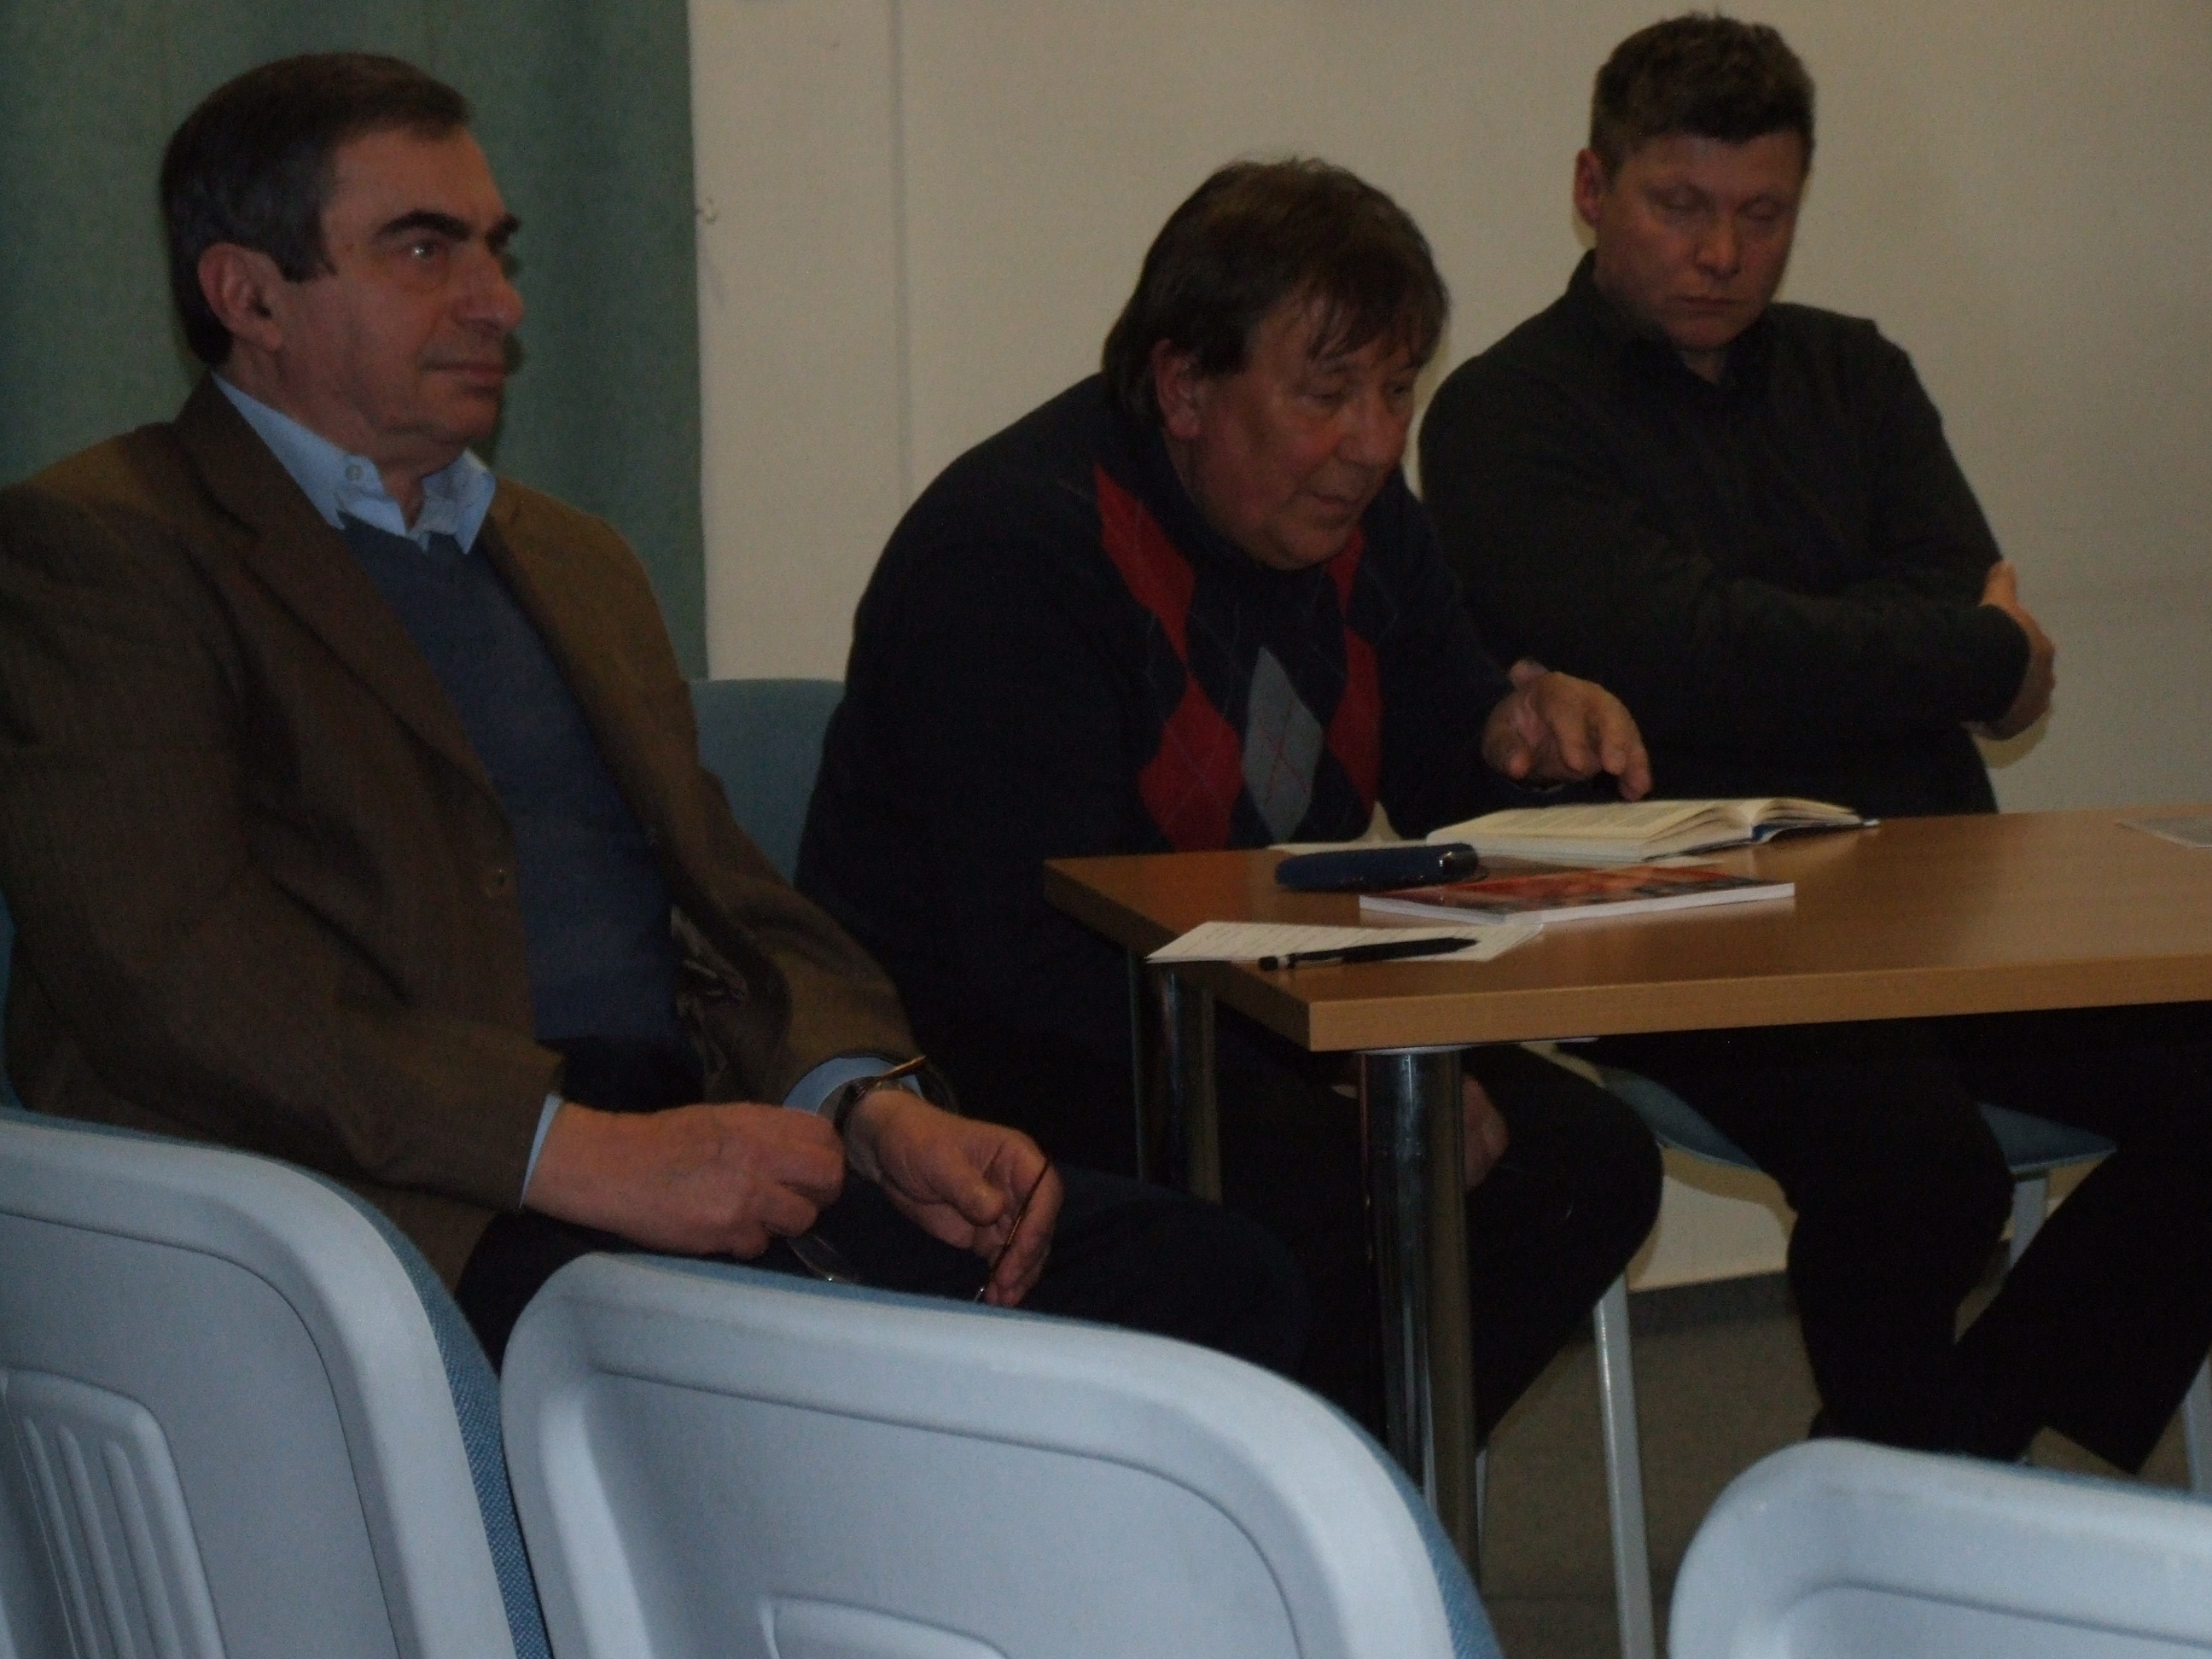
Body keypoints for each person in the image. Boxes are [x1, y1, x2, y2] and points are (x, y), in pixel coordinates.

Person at [0, 52, 1307, 1374]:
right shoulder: (107, 548)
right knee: (791, 1384)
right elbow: (176, 973)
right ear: (249, 295)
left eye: (496, 250)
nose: (497, 301)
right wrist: (571, 1152)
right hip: (395, 1199)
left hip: (683, 1139)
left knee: (1216, 1282)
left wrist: (864, 1105)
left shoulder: (573, 560)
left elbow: (736, 904)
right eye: (424, 250)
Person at [1419, 14, 2212, 1469]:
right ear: (1592, 189)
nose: (1722, 253)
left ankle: (1949, 1450)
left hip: (1939, 903)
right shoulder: (1499, 415)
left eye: (1763, 214)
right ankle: (1924, 1487)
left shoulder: (1858, 374)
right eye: (1681, 206)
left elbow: (1849, 640)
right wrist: (1955, 648)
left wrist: (1874, 652)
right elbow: (1693, 659)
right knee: (1924, 1172)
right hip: (1684, 931)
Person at [799, 158, 1665, 1437]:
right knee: (1312, 1206)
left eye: (1396, 390)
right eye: (1328, 392)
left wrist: (1521, 735)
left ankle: (1341, 1494)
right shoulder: (1011, 552)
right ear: (1184, 387)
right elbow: (1033, 952)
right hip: (986, 1062)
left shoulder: (1361, 521)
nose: (1374, 442)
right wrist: (1337, 1064)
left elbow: (1444, 758)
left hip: (1233, 1013)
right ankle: (1287, 1503)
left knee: (1588, 1167)